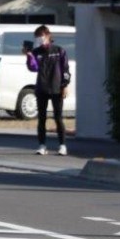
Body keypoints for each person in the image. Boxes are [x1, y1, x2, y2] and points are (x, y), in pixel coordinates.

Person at [23, 25, 71, 156]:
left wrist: (64, 85)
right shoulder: (36, 52)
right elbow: (33, 68)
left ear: (48, 36)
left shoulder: (59, 51)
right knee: (42, 118)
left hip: (56, 88)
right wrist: (29, 56)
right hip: (42, 88)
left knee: (58, 117)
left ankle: (62, 145)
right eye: (37, 37)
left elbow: (65, 69)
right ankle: (42, 145)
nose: (40, 39)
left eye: (42, 36)